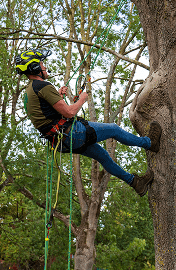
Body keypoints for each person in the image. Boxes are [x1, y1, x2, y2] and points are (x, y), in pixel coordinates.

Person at [15, 48, 162, 196]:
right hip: (72, 133)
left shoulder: (29, 91)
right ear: (35, 68)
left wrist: (57, 96)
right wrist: (82, 100)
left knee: (103, 156)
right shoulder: (43, 86)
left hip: (61, 142)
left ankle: (136, 183)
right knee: (113, 129)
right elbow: (70, 112)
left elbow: (45, 114)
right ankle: (150, 143)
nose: (44, 66)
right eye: (41, 63)